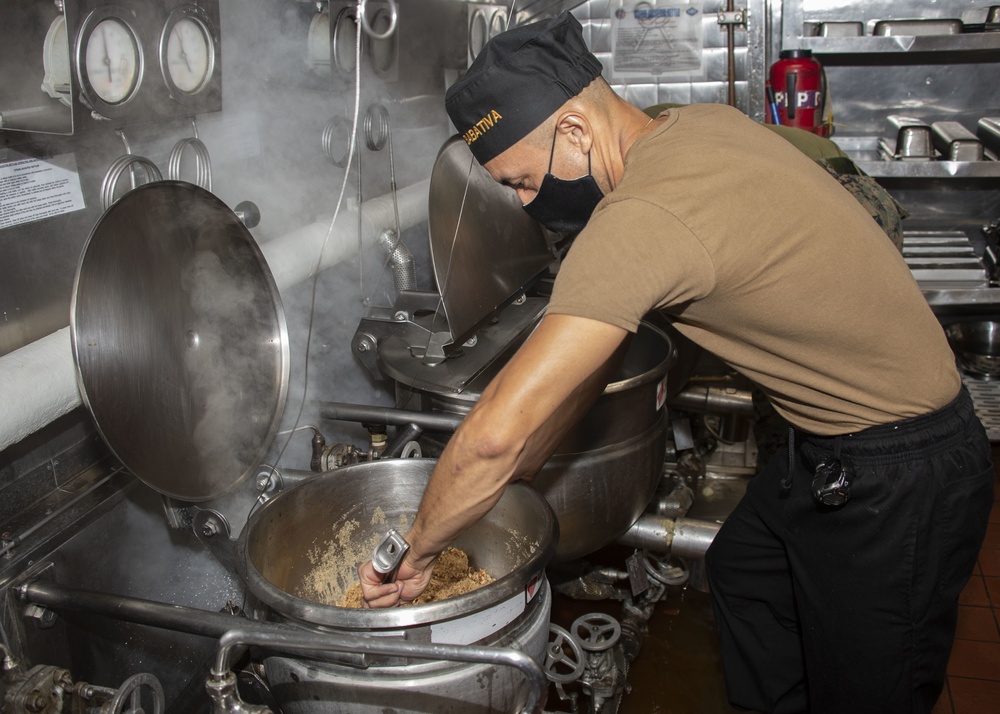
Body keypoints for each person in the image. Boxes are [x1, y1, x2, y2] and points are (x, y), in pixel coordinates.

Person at [358, 12, 994, 714]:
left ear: (573, 131)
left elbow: (490, 436)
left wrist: (412, 554)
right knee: (746, 574)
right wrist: (532, 456)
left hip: (903, 468)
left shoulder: (642, 216)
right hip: (833, 443)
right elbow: (584, 372)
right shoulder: (691, 128)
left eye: (521, 181)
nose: (524, 205)